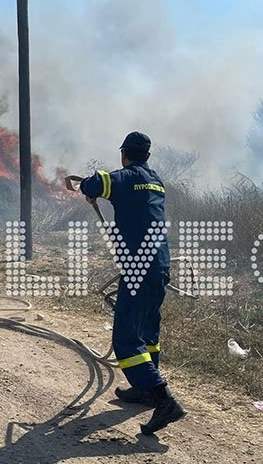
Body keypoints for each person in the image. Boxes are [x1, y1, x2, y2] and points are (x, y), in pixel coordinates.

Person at [79, 131, 186, 435]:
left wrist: (90, 188)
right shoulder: (155, 180)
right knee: (148, 330)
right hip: (161, 265)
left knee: (126, 338)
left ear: (124, 154)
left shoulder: (125, 177)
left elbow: (95, 182)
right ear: (147, 156)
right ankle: (143, 391)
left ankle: (163, 398)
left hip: (139, 267)